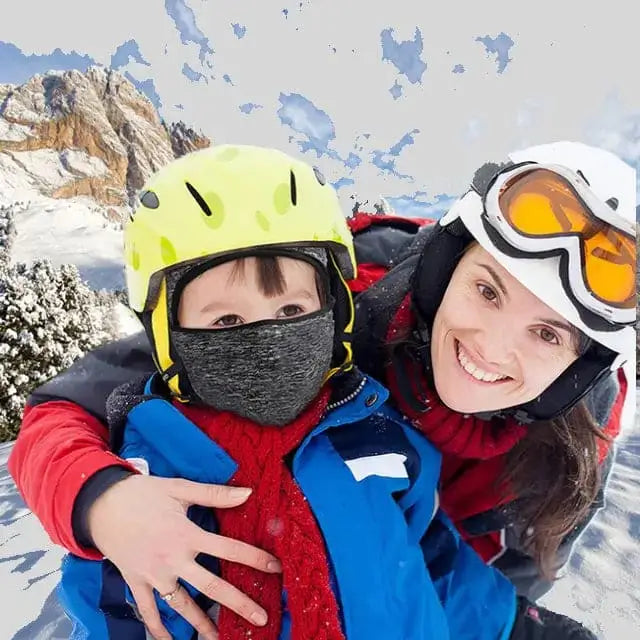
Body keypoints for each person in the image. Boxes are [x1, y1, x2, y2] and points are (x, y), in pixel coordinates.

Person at [9, 142, 633, 637]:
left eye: (549, 334)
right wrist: (102, 502)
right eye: (487, 290)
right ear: (445, 268)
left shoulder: (568, 445)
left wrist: (512, 625)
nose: (495, 348)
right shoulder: (329, 288)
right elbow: (72, 407)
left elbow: (438, 563)